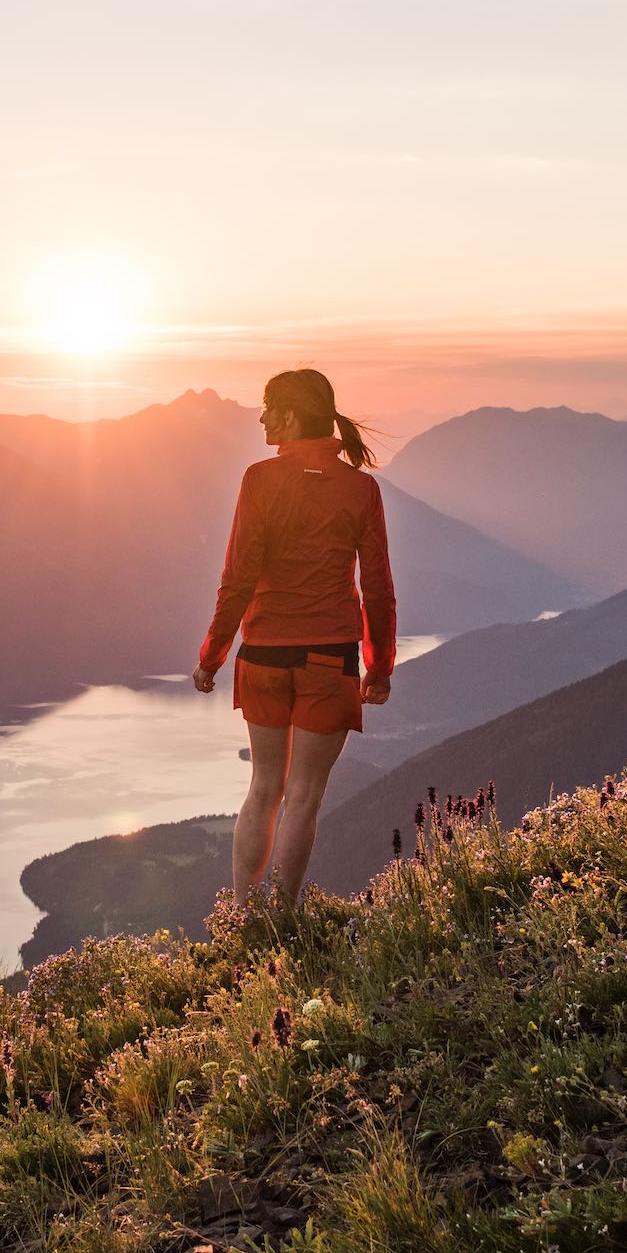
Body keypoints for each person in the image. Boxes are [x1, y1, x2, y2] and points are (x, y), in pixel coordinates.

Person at [191, 368, 394, 907]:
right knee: (303, 797)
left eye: (267, 408)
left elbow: (237, 579)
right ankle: (280, 919)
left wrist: (212, 655)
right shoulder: (361, 488)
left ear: (290, 414)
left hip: (261, 657)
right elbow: (377, 589)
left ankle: (241, 921)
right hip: (330, 660)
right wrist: (380, 667)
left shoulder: (258, 480)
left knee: (263, 789)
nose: (260, 418)